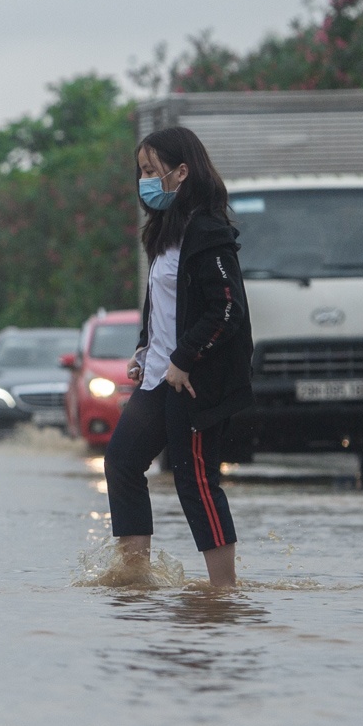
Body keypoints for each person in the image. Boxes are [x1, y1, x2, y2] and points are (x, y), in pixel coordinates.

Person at [101, 125, 254, 588]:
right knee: (122, 461)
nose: (144, 180)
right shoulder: (164, 233)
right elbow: (165, 306)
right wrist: (146, 349)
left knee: (196, 482)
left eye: (152, 170)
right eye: (140, 171)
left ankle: (224, 592)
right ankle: (135, 579)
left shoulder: (209, 234)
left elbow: (227, 309)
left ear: (182, 172)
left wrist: (184, 358)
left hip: (193, 380)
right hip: (158, 377)